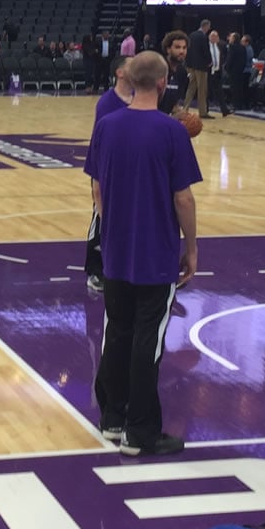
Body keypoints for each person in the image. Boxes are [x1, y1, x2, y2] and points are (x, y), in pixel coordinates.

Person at [85, 51, 201, 457]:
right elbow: (183, 198)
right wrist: (192, 248)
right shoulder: (172, 132)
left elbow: (97, 191)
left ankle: (111, 419)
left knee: (116, 331)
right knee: (146, 341)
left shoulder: (107, 126)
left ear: (131, 80)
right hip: (155, 254)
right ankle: (141, 431)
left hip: (115, 250)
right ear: (164, 82)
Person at [84, 56, 134, 294]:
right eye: (131, 65)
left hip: (131, 167)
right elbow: (100, 141)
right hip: (106, 166)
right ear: (120, 72)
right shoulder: (107, 102)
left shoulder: (140, 99)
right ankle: (95, 271)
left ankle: (123, 268)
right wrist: (98, 175)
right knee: (101, 217)